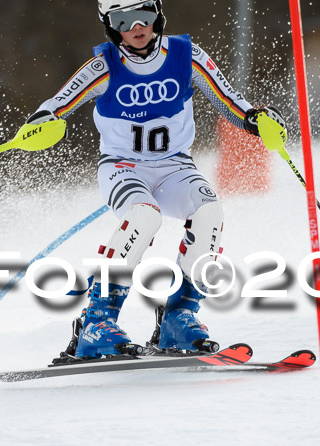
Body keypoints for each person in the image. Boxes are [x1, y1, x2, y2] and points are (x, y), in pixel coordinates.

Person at [25, 0, 285, 358]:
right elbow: (56, 105)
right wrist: (41, 123)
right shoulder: (104, 66)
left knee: (210, 210)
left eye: (143, 15)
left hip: (174, 166)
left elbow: (227, 99)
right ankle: (96, 321)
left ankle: (177, 318)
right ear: (110, 25)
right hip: (122, 167)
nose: (136, 27)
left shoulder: (186, 56)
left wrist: (256, 119)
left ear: (158, 14)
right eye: (123, 19)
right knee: (145, 216)